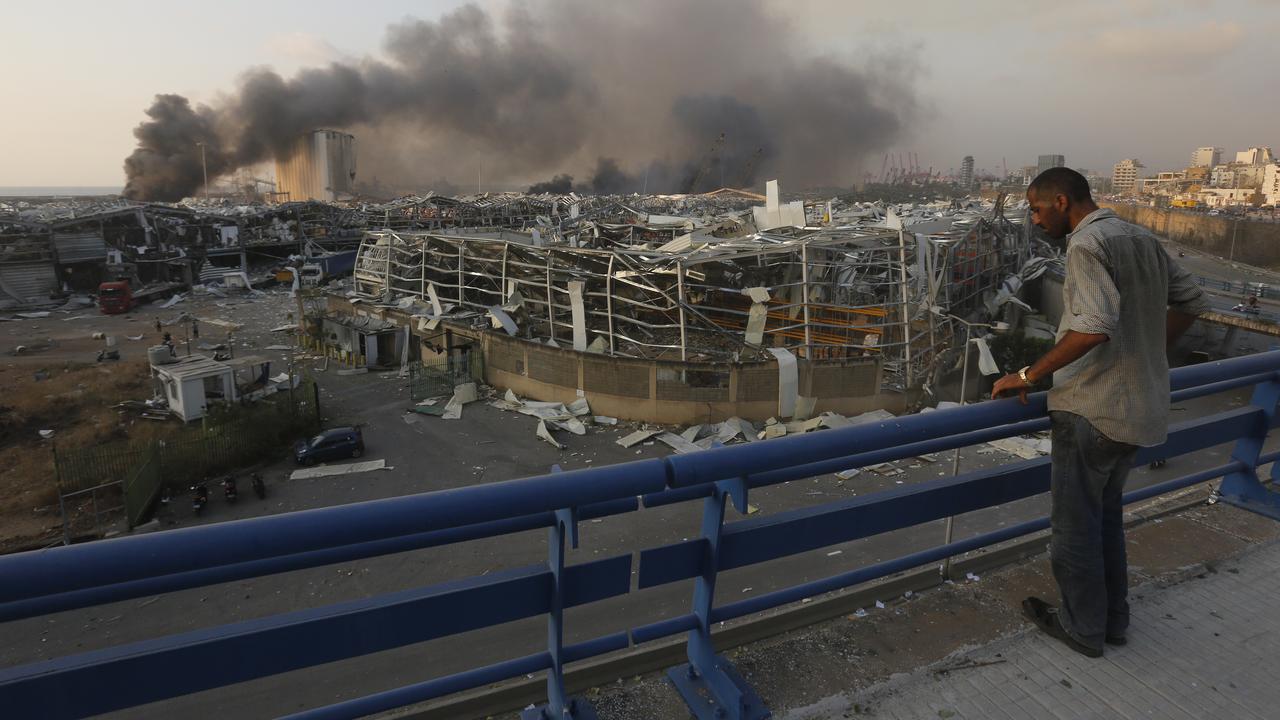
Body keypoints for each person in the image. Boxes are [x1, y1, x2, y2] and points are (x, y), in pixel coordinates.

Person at [991, 168, 1208, 657]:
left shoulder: (1086, 246)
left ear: (1062, 202)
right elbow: (1193, 300)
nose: (1033, 218)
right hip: (1139, 407)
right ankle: (1112, 621)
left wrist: (1027, 376)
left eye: (1036, 208)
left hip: (1092, 410)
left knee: (1074, 528)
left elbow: (1090, 328)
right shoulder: (1139, 236)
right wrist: (1147, 349)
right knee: (1105, 519)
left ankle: (1082, 628)